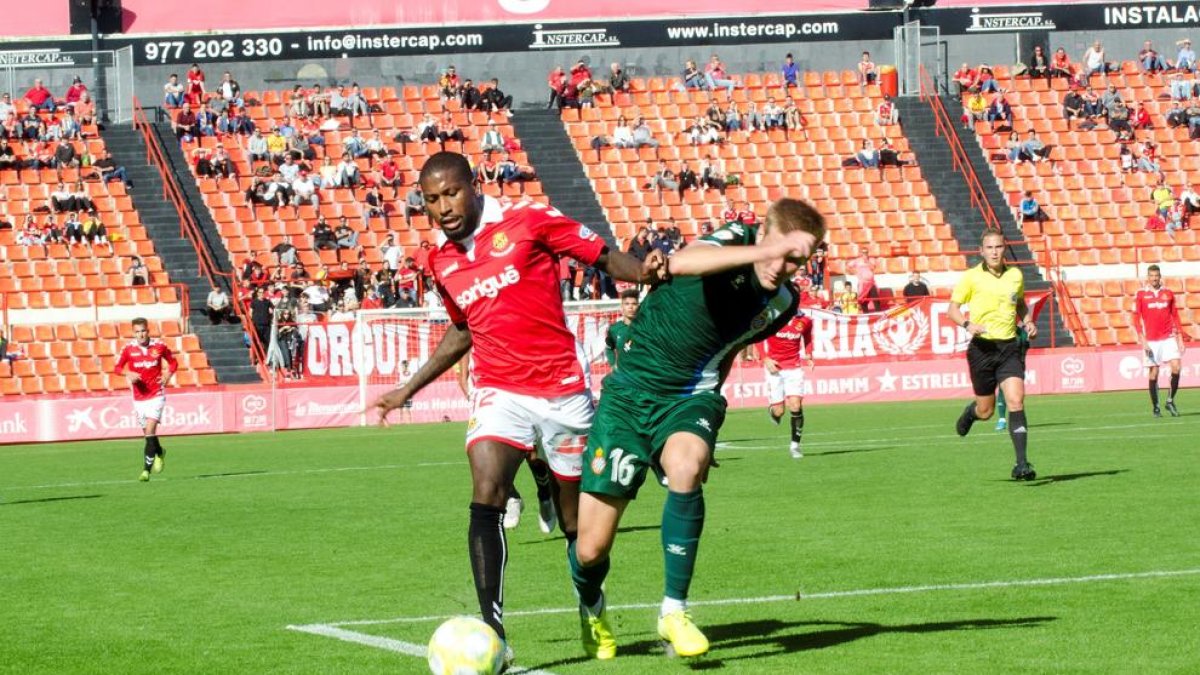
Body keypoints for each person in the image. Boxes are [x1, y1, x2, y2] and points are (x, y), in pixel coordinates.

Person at [370, 151, 664, 663]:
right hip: (497, 390)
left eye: (451, 193)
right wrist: (408, 387)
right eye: (432, 200)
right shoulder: (440, 260)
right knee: (487, 490)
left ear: (475, 184)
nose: (443, 207)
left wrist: (643, 272)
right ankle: (494, 635)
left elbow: (599, 254)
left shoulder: (529, 220)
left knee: (579, 529)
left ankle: (592, 607)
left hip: (562, 392)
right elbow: (463, 329)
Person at [568, 199, 824, 661]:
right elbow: (684, 262)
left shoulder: (784, 304)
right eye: (782, 253)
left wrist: (703, 430)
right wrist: (764, 250)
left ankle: (674, 611)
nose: (785, 268)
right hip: (628, 398)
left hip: (689, 397)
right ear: (763, 233)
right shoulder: (734, 238)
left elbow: (728, 347)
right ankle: (592, 605)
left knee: (687, 467)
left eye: (798, 261)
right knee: (590, 550)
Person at [947, 231, 1038, 481]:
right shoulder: (971, 277)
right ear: (981, 250)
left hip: (1009, 348)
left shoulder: (1015, 275)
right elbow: (952, 309)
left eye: (999, 246)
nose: (995, 251)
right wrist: (967, 325)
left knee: (1016, 401)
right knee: (986, 411)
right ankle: (971, 413)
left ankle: (1022, 464)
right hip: (982, 349)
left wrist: (1027, 320)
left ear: (1005, 248)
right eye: (990, 247)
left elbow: (1019, 302)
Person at [114, 318, 179, 482]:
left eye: (143, 331)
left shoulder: (159, 346)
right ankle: (160, 452)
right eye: (137, 332)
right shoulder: (129, 349)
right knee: (148, 436)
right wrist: (127, 374)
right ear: (133, 333)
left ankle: (145, 471)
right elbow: (117, 368)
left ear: (148, 331)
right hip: (138, 397)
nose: (140, 334)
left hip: (157, 394)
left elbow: (173, 362)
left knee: (150, 432)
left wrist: (168, 374)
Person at [762, 298, 815, 458]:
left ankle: (795, 446)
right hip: (774, 367)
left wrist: (809, 354)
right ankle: (773, 412)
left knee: (796, 405)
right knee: (779, 411)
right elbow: (756, 336)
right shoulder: (771, 316)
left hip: (794, 367)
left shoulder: (805, 320)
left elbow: (808, 336)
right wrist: (765, 358)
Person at [1133, 265, 1186, 417]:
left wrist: (1180, 338)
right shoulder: (1141, 294)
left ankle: (1170, 401)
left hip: (1168, 337)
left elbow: (1175, 316)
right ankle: (1156, 407)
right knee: (1153, 374)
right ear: (1147, 277)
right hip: (1151, 340)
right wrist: (1142, 339)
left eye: (1156, 275)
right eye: (1152, 276)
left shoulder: (1168, 293)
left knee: (1176, 367)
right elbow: (1135, 318)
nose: (1154, 278)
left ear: (1160, 276)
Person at [604, 289, 640, 369]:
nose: (631, 307)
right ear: (622, 307)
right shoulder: (614, 329)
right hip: (623, 375)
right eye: (627, 304)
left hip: (642, 375)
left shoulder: (645, 327)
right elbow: (609, 348)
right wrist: (613, 365)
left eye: (634, 304)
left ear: (638, 307)